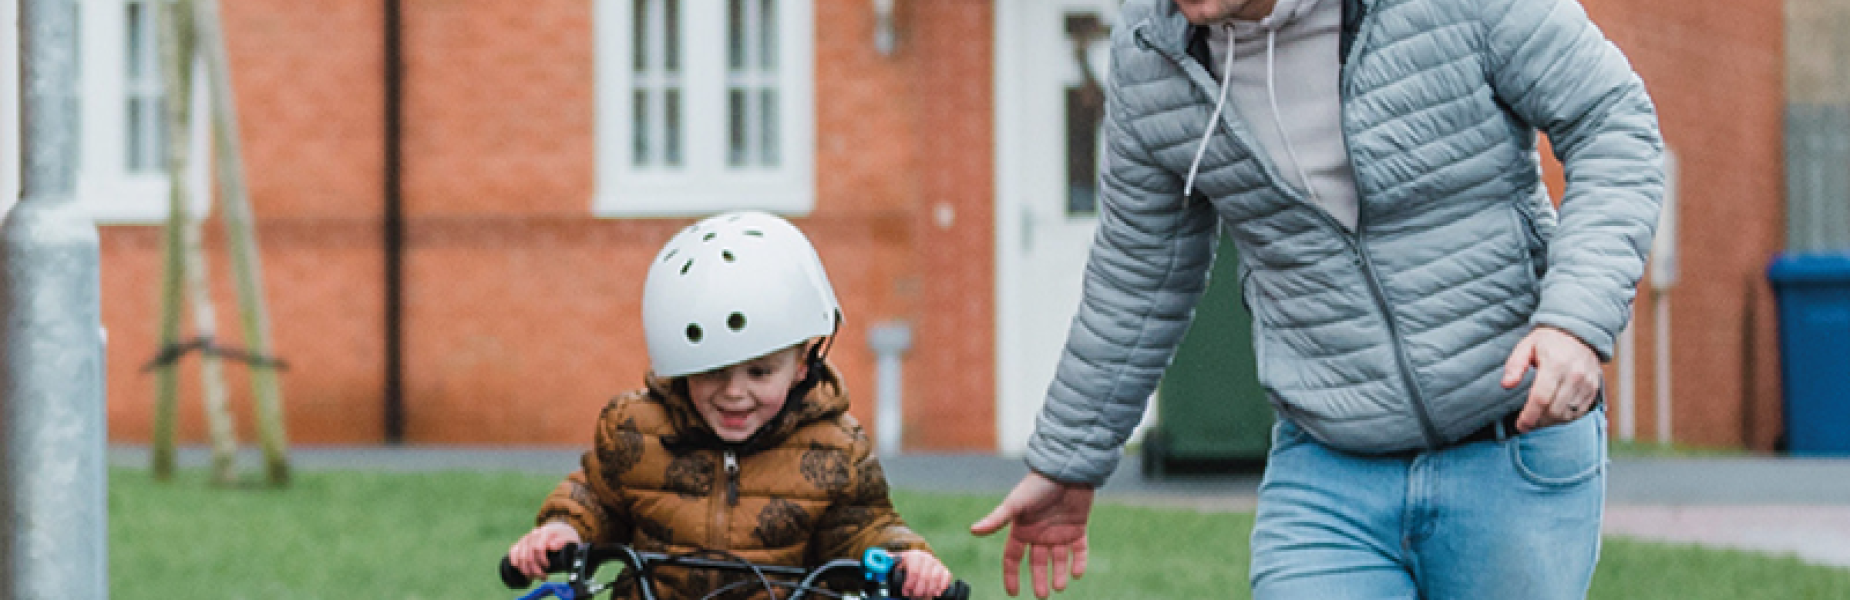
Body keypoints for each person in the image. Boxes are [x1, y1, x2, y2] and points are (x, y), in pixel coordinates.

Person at [970, 0, 1662, 598]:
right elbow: (1140, 270)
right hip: (1328, 464)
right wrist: (1069, 457)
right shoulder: (1153, 51)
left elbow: (1613, 123)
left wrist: (1575, 322)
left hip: (1509, 442)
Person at [508, 211, 954, 599]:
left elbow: (863, 527)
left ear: (802, 365)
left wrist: (904, 558)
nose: (734, 393)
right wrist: (563, 530)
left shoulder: (834, 447)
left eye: (760, 372)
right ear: (678, 365)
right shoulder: (635, 430)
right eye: (712, 372)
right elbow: (595, 499)